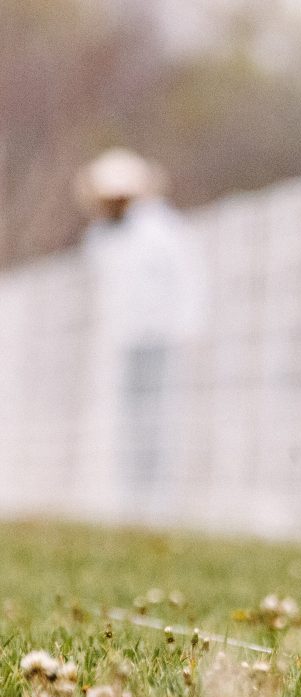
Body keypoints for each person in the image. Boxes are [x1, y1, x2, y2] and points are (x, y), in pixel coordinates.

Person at [73, 148, 204, 522]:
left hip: (159, 338)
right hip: (123, 339)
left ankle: (156, 504)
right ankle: (129, 501)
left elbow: (188, 280)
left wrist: (188, 328)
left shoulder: (163, 230)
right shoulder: (102, 237)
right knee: (129, 422)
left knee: (157, 420)